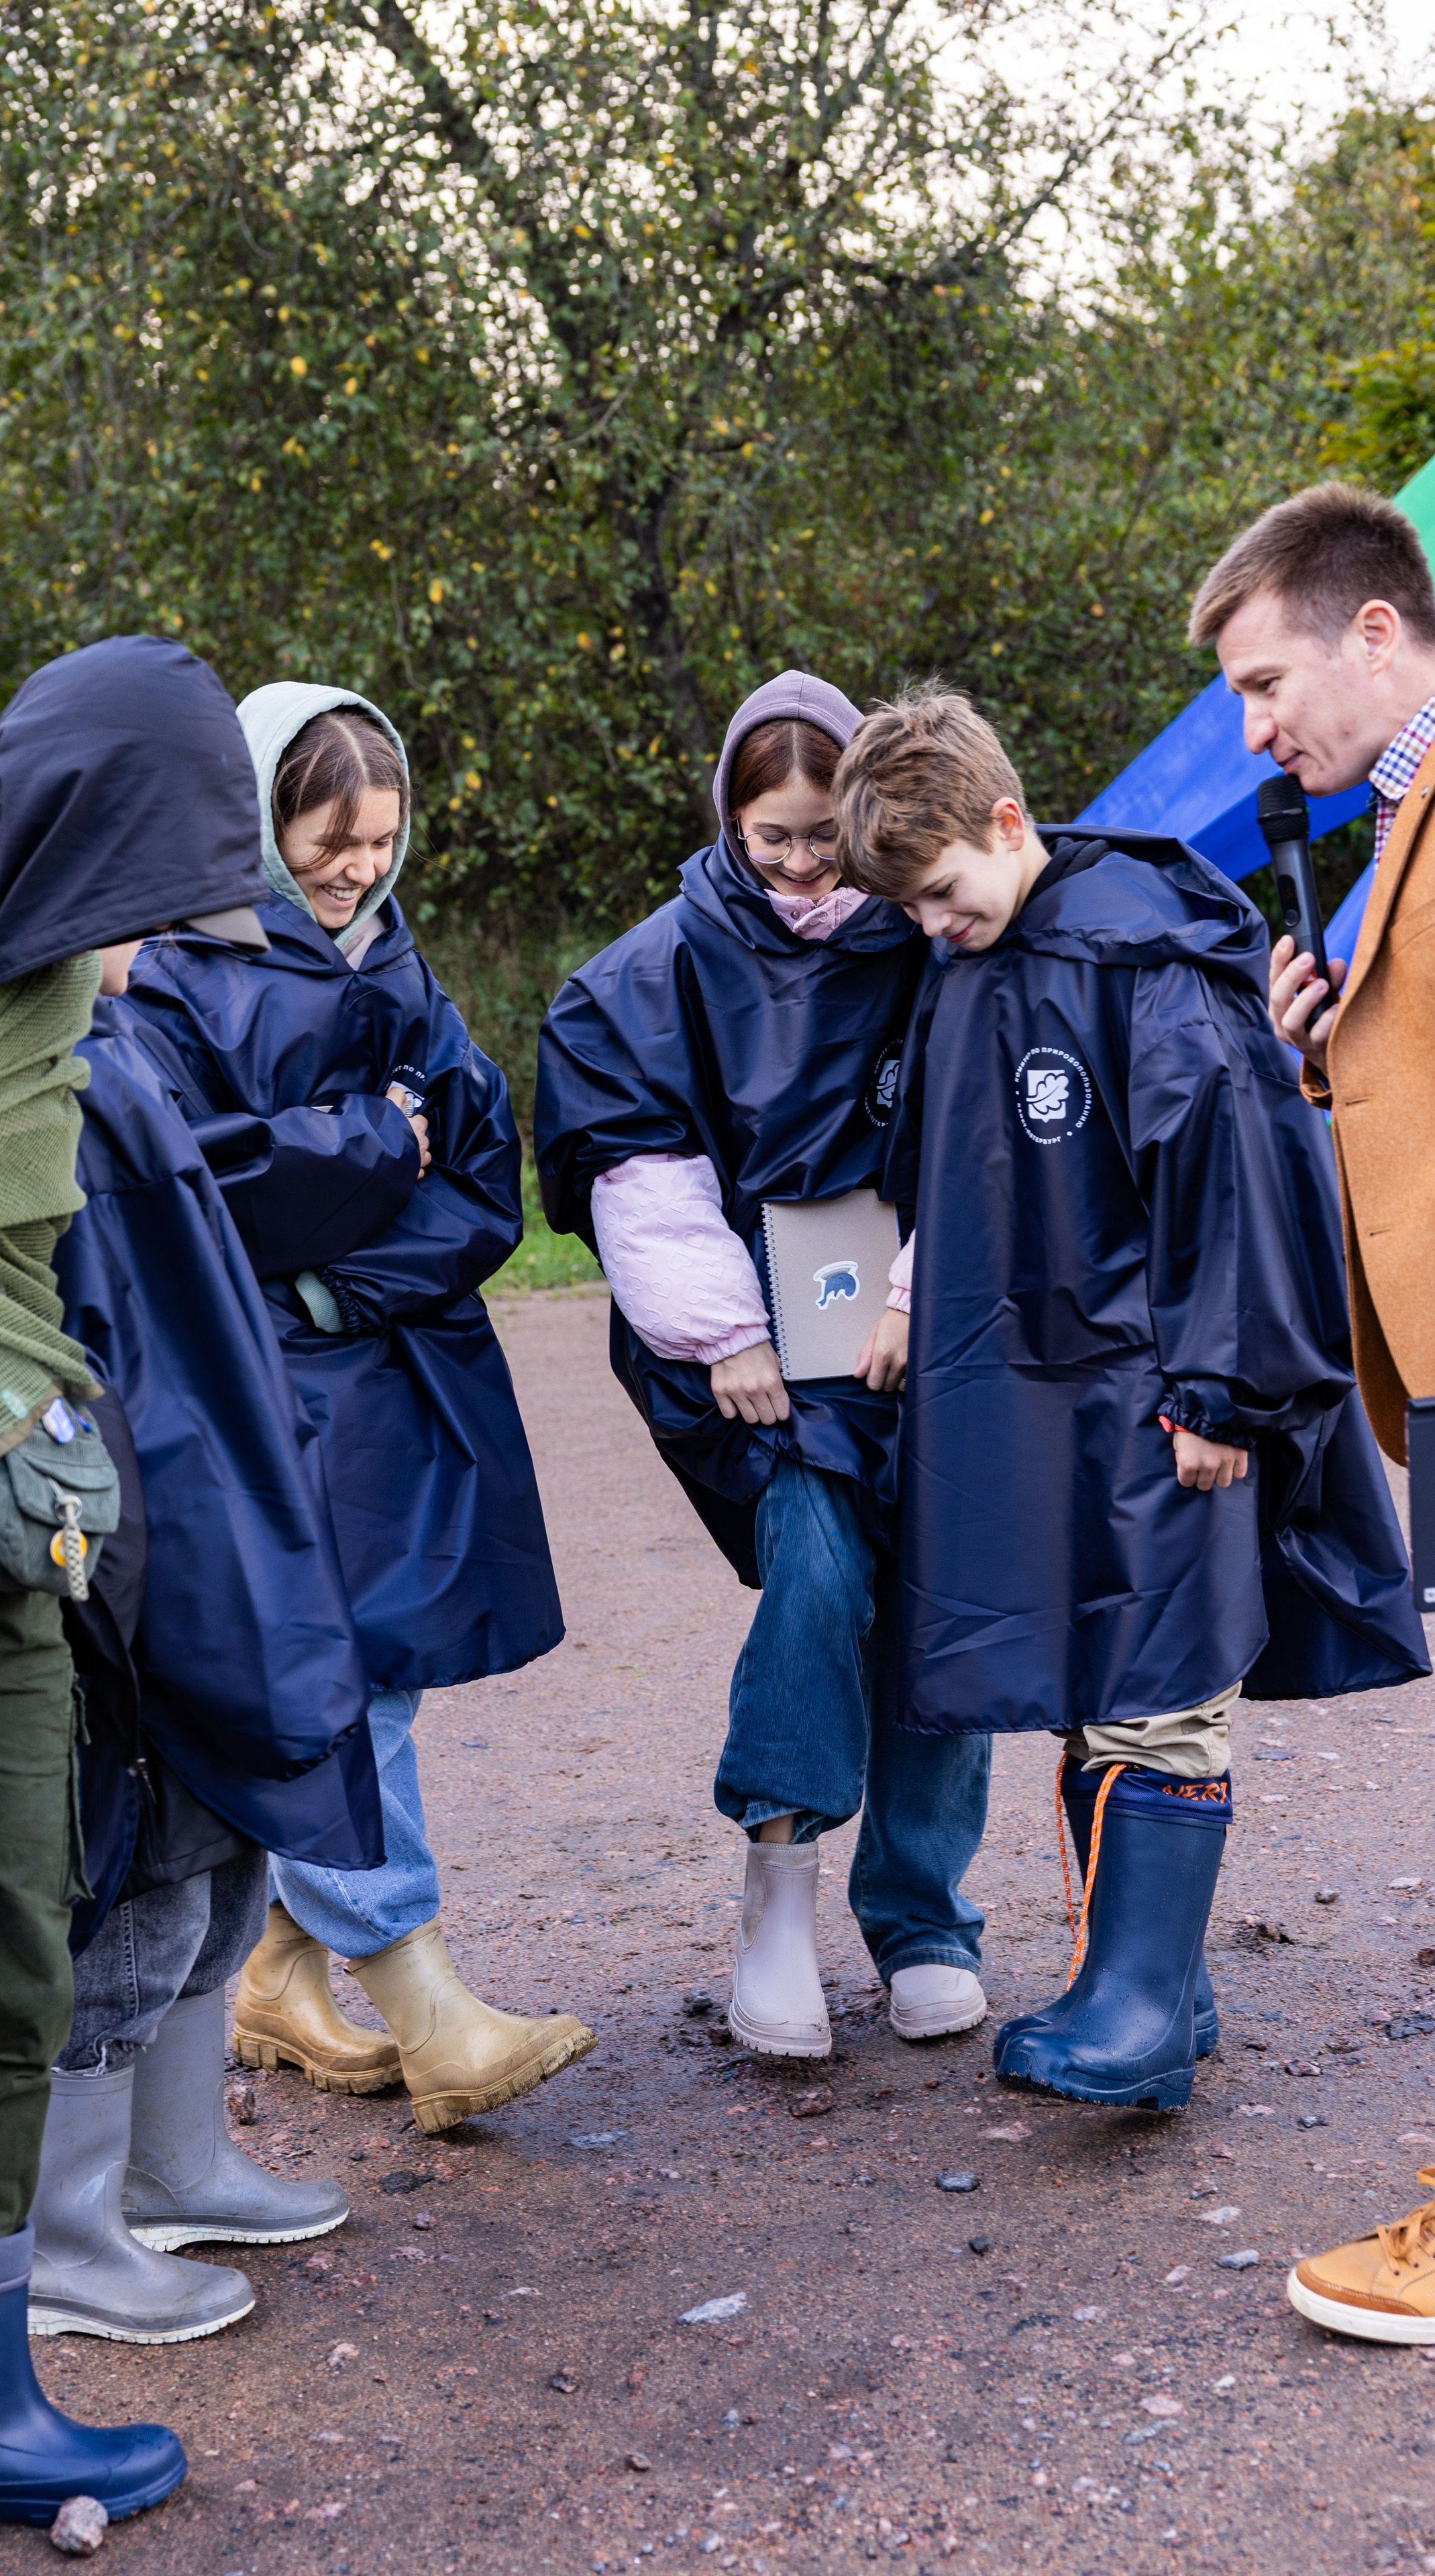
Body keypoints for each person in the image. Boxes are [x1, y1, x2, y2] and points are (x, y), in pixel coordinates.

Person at [835, 678, 1428, 2111]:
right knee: (1091, 1672)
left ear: (1006, 818)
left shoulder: (1138, 962)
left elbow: (1230, 1181)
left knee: (1155, 1682)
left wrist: (1223, 1392)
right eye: (904, 909)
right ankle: (1150, 1978)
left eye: (937, 891)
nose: (929, 923)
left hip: (1158, 1401)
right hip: (1040, 1397)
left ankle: (1140, 2010)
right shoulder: (981, 958)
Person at [0, 636, 272, 2567]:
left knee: (23, 1950)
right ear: (80, 844)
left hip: (1, 1495)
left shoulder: (36, 980)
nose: (134, 968)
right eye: (135, 914)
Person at [125, 684, 593, 2135]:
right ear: (258, 820)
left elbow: (475, 1185)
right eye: (327, 839)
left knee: (363, 1665)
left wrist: (342, 1257)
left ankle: (274, 1970)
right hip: (263, 1403)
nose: (355, 869)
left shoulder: (399, 962)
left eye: (380, 840)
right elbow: (202, 1195)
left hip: (382, 1378)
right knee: (331, 1682)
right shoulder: (175, 976)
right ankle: (422, 1996)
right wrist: (363, 1145)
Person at [1194, 482, 1435, 2339]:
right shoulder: (1404, 822)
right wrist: (1328, 1057)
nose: (1257, 731)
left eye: (1268, 686)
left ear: (1379, 634)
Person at [535, 671, 994, 2060]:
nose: (799, 863)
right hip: (755, 1339)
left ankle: (918, 1916)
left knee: (938, 1597)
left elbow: (970, 1129)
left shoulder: (926, 935)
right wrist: (721, 1329)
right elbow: (633, 1162)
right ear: (727, 817)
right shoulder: (656, 962)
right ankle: (777, 1890)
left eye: (819, 834)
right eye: (769, 836)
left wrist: (918, 1290)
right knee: (816, 1564)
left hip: (922, 1322)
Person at [33, 946, 388, 2345]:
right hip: (131, 1507)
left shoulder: (124, 1027)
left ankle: (172, 2165)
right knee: (131, 1889)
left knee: (219, 1845)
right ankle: (66, 2234)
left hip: (203, 1481)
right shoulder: (37, 1049)